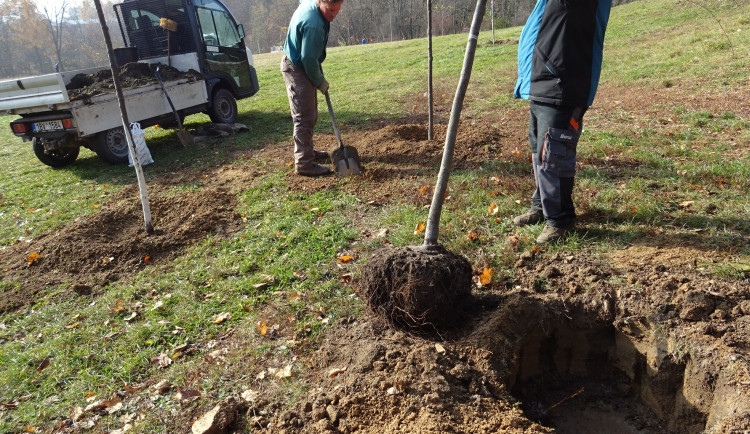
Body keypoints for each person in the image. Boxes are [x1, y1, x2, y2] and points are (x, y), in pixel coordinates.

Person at [512, 0, 612, 243]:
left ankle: (560, 220)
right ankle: (542, 206)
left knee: (554, 153)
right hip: (540, 80)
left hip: (564, 81)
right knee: (539, 149)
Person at [281, 0, 344, 177]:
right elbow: (308, 58)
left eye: (337, 10)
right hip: (297, 67)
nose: (333, 14)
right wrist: (319, 80)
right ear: (320, 2)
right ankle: (304, 163)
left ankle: (308, 152)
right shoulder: (314, 24)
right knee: (304, 116)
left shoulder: (311, 4)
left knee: (311, 113)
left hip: (303, 63)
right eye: (330, 10)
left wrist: (316, 70)